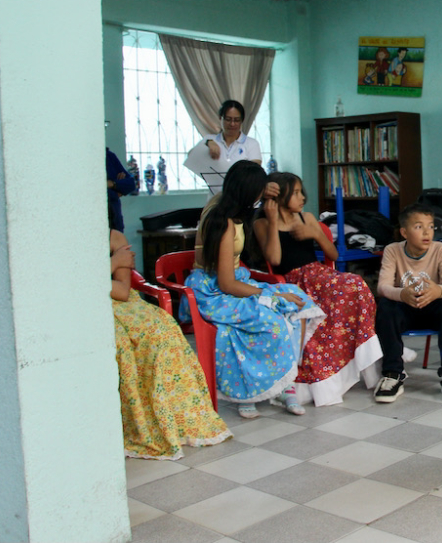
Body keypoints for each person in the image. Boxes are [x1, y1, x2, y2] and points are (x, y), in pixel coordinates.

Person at [185, 161, 326, 419]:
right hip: (213, 291)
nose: (263, 196)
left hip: (236, 281)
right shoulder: (221, 222)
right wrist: (272, 295)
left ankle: (284, 384)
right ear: (249, 192)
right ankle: (248, 390)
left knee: (299, 302)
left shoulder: (236, 214)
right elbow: (226, 284)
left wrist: (278, 293)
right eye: (260, 191)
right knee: (270, 316)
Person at [253, 172, 382, 406]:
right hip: (293, 281)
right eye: (295, 193)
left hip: (321, 275)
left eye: (302, 191)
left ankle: (361, 359)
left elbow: (332, 255)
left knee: (356, 285)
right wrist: (273, 222)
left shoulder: (307, 218)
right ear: (279, 197)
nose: (302, 197)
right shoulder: (262, 223)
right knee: (346, 290)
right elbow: (274, 258)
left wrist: (315, 234)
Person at [110, 225, 230, 459]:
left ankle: (180, 420)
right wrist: (112, 264)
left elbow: (122, 291)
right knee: (122, 344)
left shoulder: (114, 238)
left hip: (125, 306)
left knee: (164, 332)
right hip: (90, 311)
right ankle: (139, 423)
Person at [373, 203, 442, 403]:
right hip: (405, 310)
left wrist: (437, 291)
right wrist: (402, 295)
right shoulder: (393, 250)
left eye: (431, 226)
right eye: (418, 227)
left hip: (433, 308)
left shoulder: (441, 249)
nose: (427, 232)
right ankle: (392, 374)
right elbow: (382, 287)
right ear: (404, 232)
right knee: (385, 307)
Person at [197, 99, 262, 194]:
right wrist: (208, 142)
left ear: (242, 120)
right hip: (215, 200)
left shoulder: (251, 143)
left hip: (242, 197)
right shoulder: (210, 140)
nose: (232, 124)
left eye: (236, 120)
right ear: (220, 118)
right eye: (228, 119)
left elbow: (255, 173)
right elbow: (192, 157)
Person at [106, 147, 136, 232]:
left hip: (115, 220)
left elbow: (130, 184)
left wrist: (113, 184)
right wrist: (116, 192)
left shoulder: (109, 156)